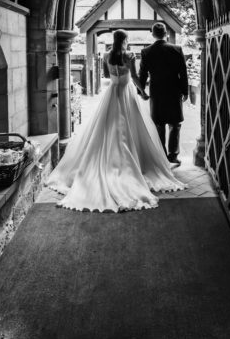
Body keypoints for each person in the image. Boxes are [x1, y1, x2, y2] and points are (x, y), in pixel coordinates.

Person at [45, 29, 186, 212]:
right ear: (126, 40)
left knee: (107, 128)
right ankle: (139, 162)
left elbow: (105, 75)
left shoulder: (106, 55)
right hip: (126, 93)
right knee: (131, 129)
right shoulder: (129, 55)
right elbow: (134, 77)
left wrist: (116, 75)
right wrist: (142, 92)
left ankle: (108, 162)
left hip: (112, 92)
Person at [138, 22, 189, 165]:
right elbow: (183, 73)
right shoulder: (177, 49)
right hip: (174, 90)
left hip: (157, 91)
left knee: (159, 124)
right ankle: (173, 155)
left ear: (153, 34)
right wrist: (185, 91)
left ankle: (161, 155)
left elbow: (143, 74)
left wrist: (141, 91)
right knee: (175, 124)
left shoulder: (146, 51)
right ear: (166, 33)